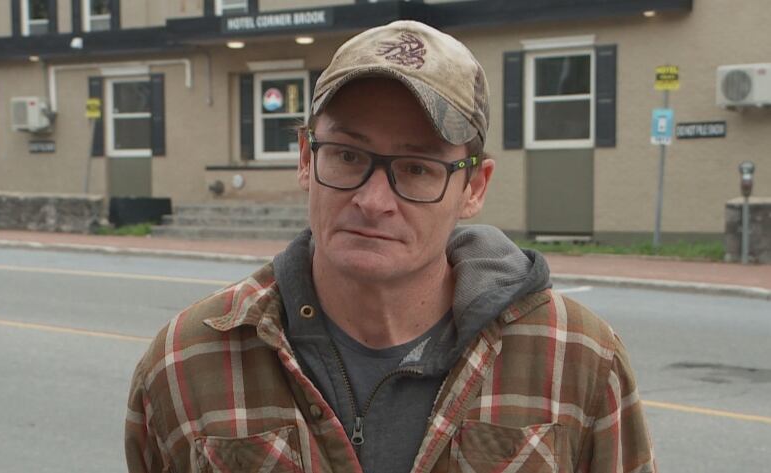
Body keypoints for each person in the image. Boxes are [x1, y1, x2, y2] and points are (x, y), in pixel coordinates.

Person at [125, 20, 655, 473]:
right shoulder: (185, 361)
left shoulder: (578, 358)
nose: (373, 200)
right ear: (307, 159)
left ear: (473, 187)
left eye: (418, 168)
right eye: (348, 156)